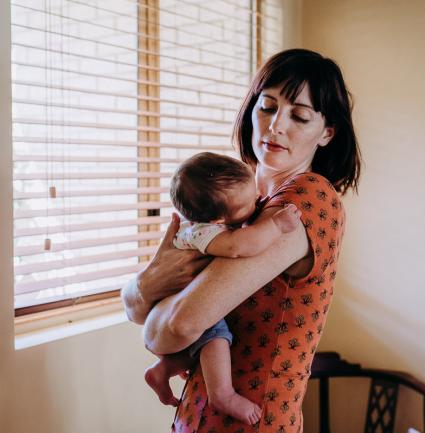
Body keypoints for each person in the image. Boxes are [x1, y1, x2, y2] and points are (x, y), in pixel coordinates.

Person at [122, 48, 361, 433]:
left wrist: (152, 308)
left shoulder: (306, 201)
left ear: (327, 132)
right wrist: (149, 284)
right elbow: (138, 308)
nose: (275, 126)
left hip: (252, 421)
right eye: (267, 107)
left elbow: (177, 326)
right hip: (198, 415)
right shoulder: (236, 204)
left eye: (299, 116)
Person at [144, 152, 301, 425]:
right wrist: (275, 224)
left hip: (173, 307)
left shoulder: (198, 226)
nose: (258, 201)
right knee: (216, 338)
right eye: (248, 203)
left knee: (200, 346)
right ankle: (223, 394)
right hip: (188, 303)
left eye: (255, 194)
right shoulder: (205, 233)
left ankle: (163, 369)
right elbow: (240, 246)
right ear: (217, 221)